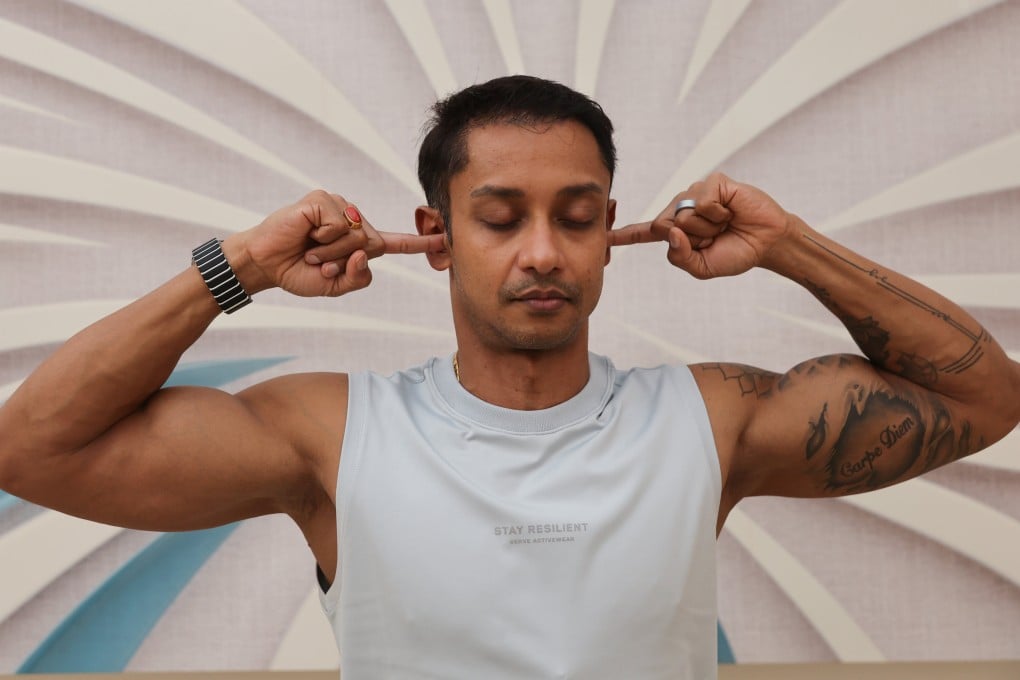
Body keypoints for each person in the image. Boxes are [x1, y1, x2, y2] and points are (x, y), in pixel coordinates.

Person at [0, 75, 1017, 679]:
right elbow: (34, 448)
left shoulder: (708, 417)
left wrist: (788, 243)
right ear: (435, 236)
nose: (543, 251)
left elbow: (985, 397)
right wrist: (241, 267)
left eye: (578, 216)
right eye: (501, 217)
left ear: (614, 231)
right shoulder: (333, 431)